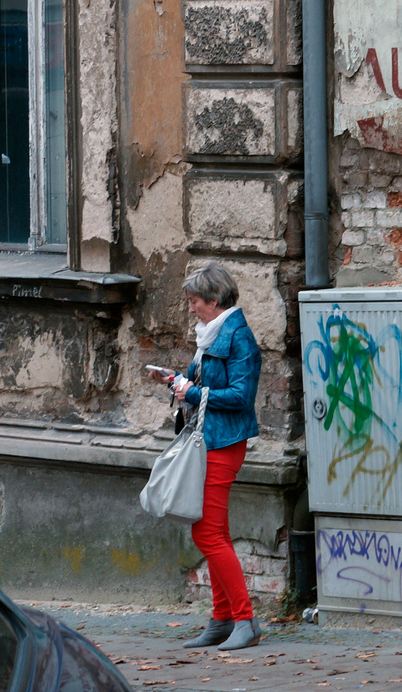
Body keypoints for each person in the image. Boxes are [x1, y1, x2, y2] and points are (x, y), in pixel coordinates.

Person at [149, 264, 263, 651]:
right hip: (208, 441)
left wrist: (192, 393)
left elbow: (241, 398)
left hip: (224, 443)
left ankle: (245, 620)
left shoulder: (239, 338)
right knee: (216, 532)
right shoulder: (211, 335)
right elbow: (203, 383)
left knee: (207, 533)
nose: (191, 309)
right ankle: (221, 620)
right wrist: (176, 379)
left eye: (195, 302)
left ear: (213, 302)